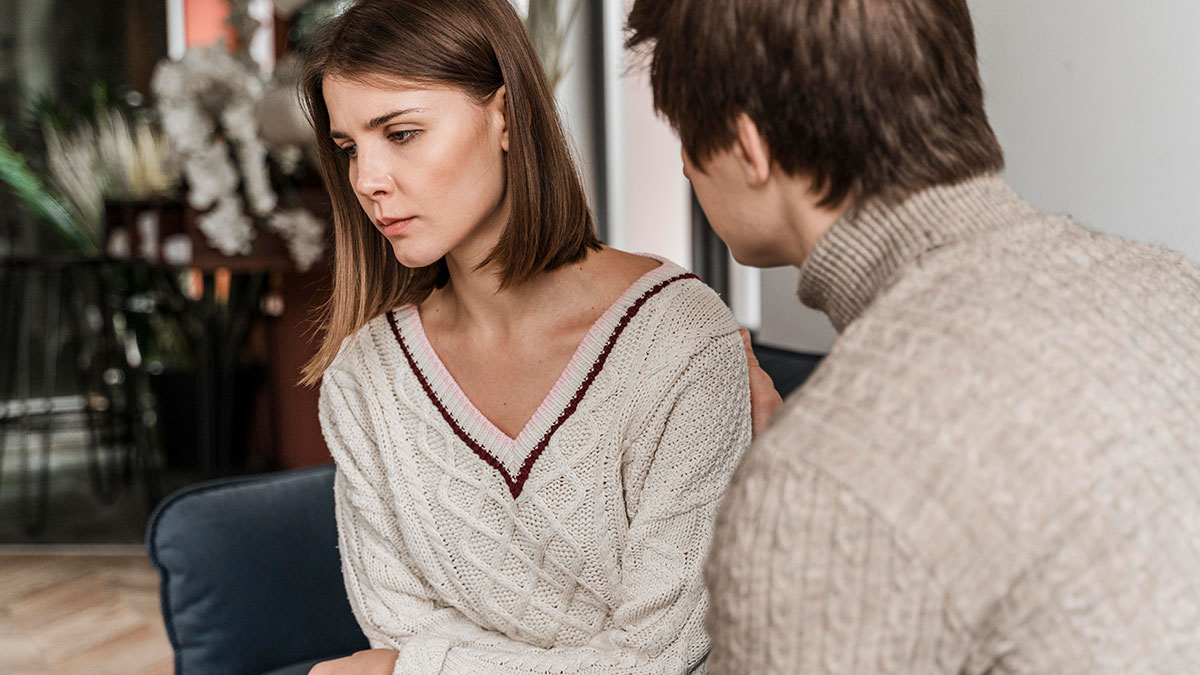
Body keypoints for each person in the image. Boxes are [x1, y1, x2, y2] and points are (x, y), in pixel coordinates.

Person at [627, 0, 1200, 672]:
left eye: (687, 142)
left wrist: (800, 478)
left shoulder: (823, 476)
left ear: (749, 148)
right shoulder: (1176, 287)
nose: (687, 174)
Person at [299, 0, 757, 672]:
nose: (367, 180)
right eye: (348, 148)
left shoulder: (681, 341)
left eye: (399, 134)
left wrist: (418, 669)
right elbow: (399, 632)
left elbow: (663, 654)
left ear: (505, 116)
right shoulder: (364, 381)